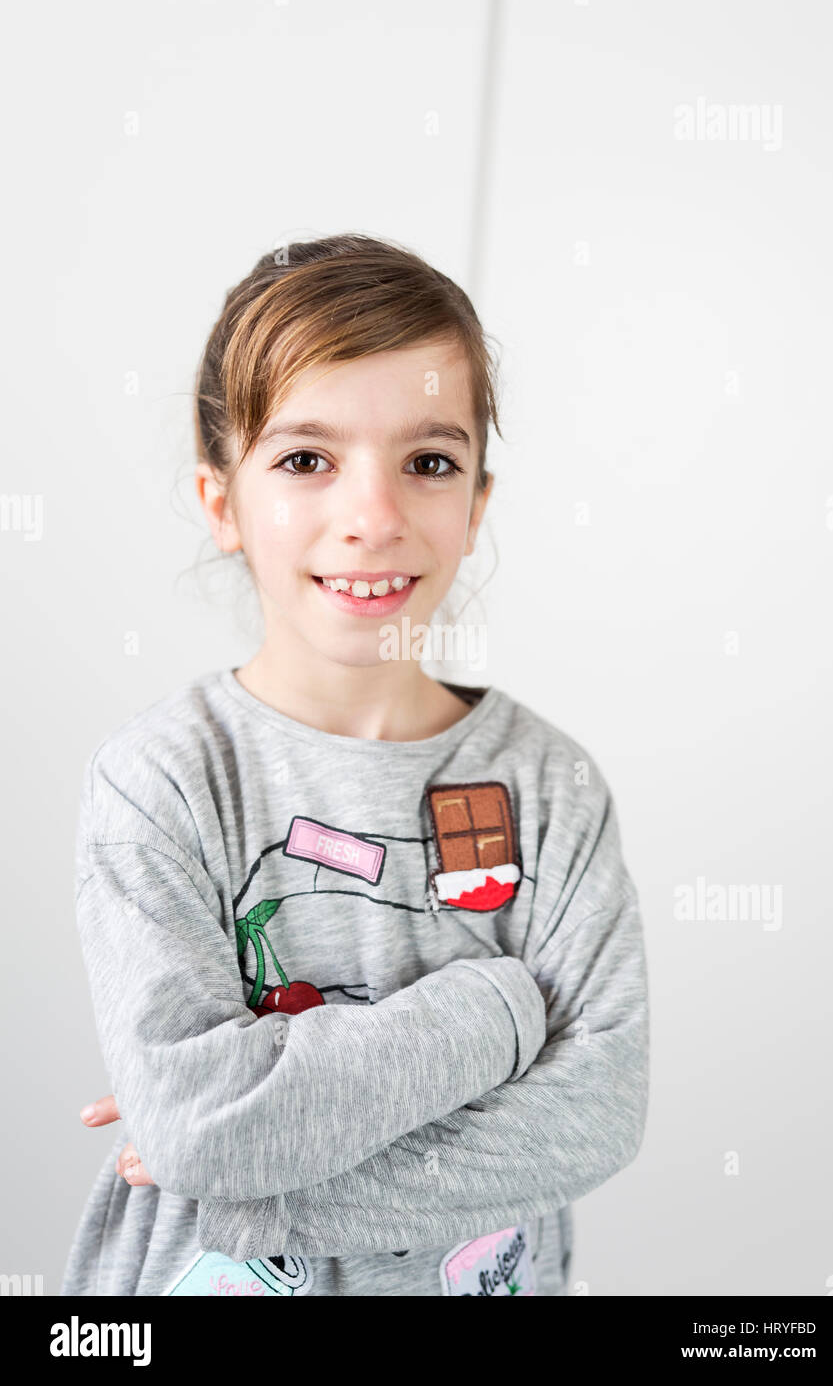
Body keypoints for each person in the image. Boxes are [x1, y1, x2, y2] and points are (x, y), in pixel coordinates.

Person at [61, 233, 649, 1297]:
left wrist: (259, 1185)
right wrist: (500, 1012)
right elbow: (198, 1123)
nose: (372, 517)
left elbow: (595, 1112)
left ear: (474, 504)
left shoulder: (549, 786)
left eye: (427, 462)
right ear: (221, 502)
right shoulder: (160, 781)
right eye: (304, 459)